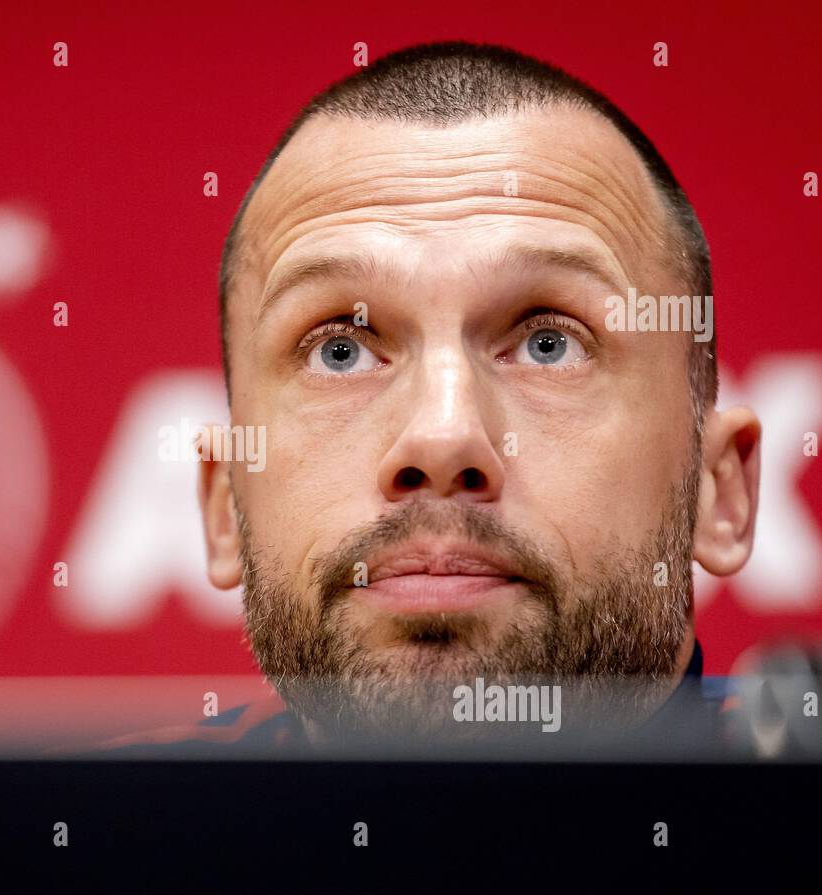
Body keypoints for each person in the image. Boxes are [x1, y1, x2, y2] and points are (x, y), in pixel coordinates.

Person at [75, 41, 760, 755]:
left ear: (720, 491)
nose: (441, 438)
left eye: (548, 344)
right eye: (340, 351)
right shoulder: (57, 848)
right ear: (224, 506)